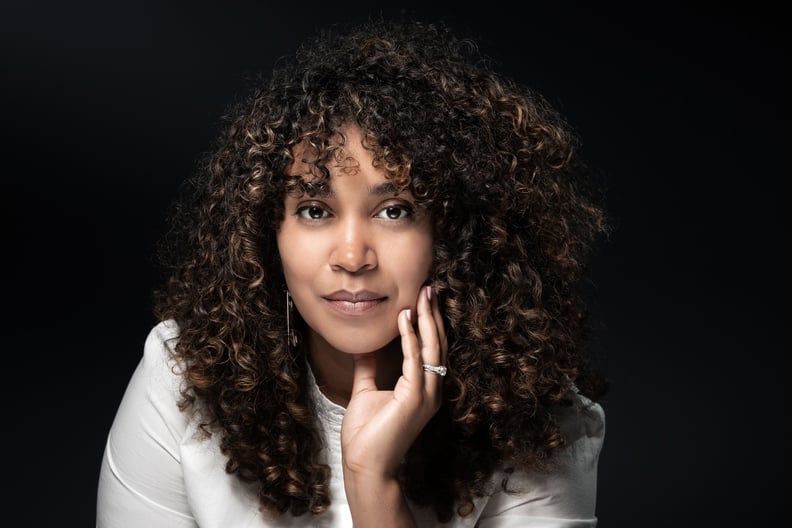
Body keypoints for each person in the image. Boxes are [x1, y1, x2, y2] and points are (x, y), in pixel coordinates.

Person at [97, 15, 610, 527]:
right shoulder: (184, 376)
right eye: (315, 210)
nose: (352, 256)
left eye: (394, 210)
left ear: (455, 232)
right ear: (265, 233)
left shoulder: (541, 421)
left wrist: (373, 481)